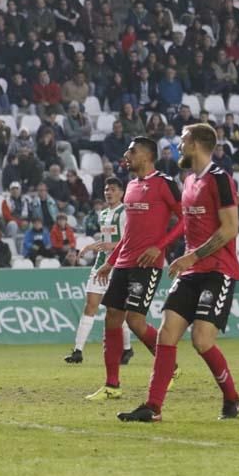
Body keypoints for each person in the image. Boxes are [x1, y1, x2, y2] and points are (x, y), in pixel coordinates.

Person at [118, 124, 239, 422]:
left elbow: (230, 228)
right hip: (191, 270)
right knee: (166, 334)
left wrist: (192, 257)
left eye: (183, 140)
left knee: (201, 340)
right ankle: (153, 407)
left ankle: (232, 398)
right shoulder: (187, 181)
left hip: (218, 270)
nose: (178, 145)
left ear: (198, 144)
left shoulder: (220, 179)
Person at [87, 137, 184, 402]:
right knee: (112, 319)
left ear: (148, 156)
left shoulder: (164, 183)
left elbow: (184, 219)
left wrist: (159, 247)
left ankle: (170, 367)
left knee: (135, 320)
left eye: (133, 151)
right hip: (124, 261)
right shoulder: (130, 186)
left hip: (147, 264)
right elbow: (129, 234)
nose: (127, 155)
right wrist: (111, 261)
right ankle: (112, 385)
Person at [65, 177, 133, 364]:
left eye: (112, 189)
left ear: (121, 192)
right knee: (90, 306)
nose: (108, 193)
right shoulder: (102, 214)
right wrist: (90, 247)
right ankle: (77, 351)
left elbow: (130, 241)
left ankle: (127, 348)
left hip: (118, 266)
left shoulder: (125, 213)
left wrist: (110, 245)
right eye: (106, 189)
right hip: (100, 265)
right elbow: (105, 242)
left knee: (116, 310)